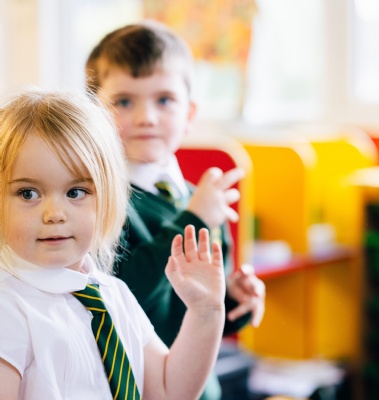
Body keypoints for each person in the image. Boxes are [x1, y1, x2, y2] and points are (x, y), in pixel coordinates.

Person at [0, 89, 226, 400]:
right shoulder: (8, 308)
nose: (54, 214)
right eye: (28, 193)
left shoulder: (114, 294)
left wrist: (206, 311)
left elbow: (167, 391)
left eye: (76, 192)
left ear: (108, 198)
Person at [85, 21, 266, 399]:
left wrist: (236, 299)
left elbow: (200, 311)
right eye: (124, 101)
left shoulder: (200, 199)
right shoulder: (96, 200)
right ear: (93, 113)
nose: (146, 117)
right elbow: (123, 299)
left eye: (164, 100)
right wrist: (193, 220)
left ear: (190, 113)